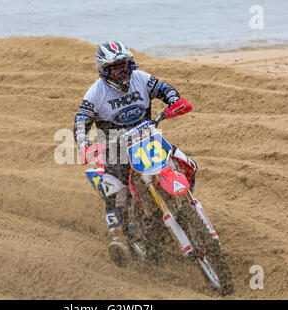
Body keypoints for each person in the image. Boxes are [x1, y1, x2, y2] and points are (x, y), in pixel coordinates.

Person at [73, 40, 197, 263]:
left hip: (147, 138)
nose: (122, 73)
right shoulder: (95, 93)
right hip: (116, 149)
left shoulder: (142, 78)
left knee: (186, 164)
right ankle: (118, 237)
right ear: (103, 70)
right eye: (115, 69)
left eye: (125, 66)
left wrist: (175, 101)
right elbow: (81, 120)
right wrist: (84, 146)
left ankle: (185, 209)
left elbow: (164, 89)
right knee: (115, 187)